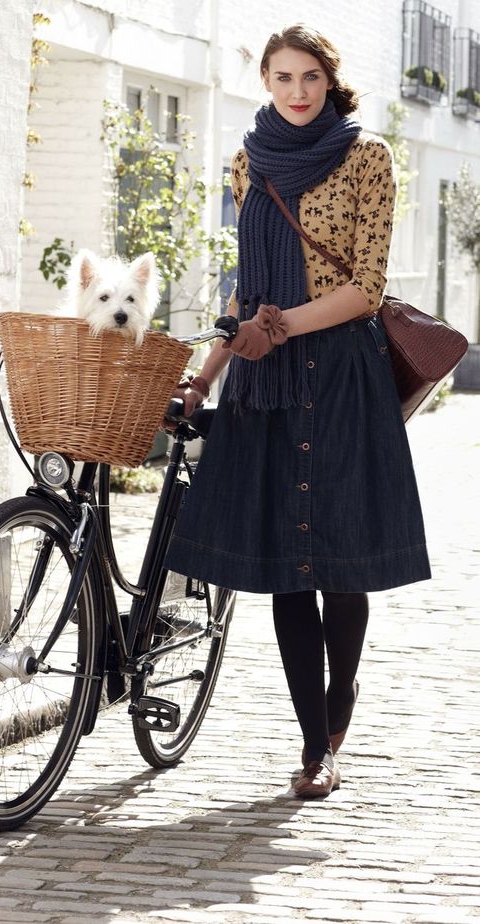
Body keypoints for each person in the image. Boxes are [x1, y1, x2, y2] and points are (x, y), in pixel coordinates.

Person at [165, 24, 430, 798]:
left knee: (339, 565)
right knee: (286, 567)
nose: (296, 91)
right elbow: (247, 289)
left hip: (341, 372)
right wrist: (207, 371)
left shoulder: (367, 157)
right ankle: (314, 748)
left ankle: (338, 706)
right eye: (281, 77)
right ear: (268, 83)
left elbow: (365, 289)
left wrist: (275, 326)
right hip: (262, 378)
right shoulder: (250, 160)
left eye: (308, 76)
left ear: (329, 77)